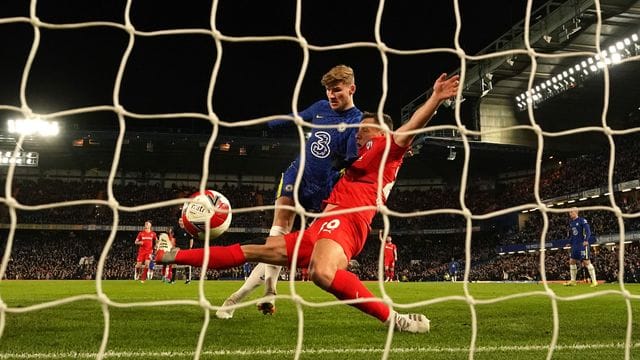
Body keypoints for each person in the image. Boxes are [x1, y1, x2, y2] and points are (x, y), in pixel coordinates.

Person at [157, 72, 460, 333]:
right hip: (321, 227)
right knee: (253, 250)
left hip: (348, 222)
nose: (356, 135)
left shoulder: (385, 148)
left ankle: (397, 320)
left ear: (380, 130)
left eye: (361, 130)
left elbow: (410, 130)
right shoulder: (357, 158)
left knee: (321, 273)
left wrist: (434, 99)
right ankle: (172, 257)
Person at [216, 64, 363, 319]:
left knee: (282, 247)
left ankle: (252, 294)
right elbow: (296, 117)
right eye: (328, 90)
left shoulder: (356, 120)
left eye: (337, 90)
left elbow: (351, 159)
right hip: (297, 173)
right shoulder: (319, 108)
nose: (331, 96)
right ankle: (257, 293)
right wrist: (269, 123)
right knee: (276, 235)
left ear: (351, 89)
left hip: (324, 187)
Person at [564, 208, 598, 287]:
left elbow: (588, 231)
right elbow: (573, 235)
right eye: (569, 212)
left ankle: (594, 281)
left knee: (586, 262)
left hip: (582, 245)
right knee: (572, 261)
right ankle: (573, 281)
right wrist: (570, 242)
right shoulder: (572, 223)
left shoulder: (582, 221)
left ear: (576, 212)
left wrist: (586, 240)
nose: (570, 213)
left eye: (571, 212)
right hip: (575, 245)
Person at [171, 218, 195, 284]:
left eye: (181, 220)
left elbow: (191, 239)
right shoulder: (176, 229)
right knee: (174, 263)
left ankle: (188, 280)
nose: (180, 222)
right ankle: (173, 279)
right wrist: (173, 247)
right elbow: (173, 238)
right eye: (179, 220)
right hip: (177, 248)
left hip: (186, 248)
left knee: (186, 263)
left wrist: (190, 247)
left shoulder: (188, 229)